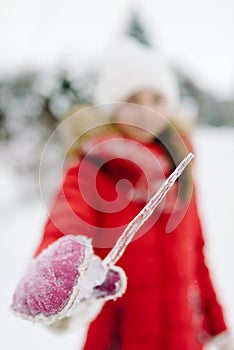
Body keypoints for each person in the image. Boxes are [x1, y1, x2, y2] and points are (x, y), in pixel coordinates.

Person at [34, 38, 233, 349]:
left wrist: (218, 327)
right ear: (113, 106)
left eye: (156, 98)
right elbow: (64, 228)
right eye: (132, 99)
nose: (146, 110)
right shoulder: (91, 170)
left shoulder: (180, 171)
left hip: (183, 338)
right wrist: (54, 279)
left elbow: (197, 256)